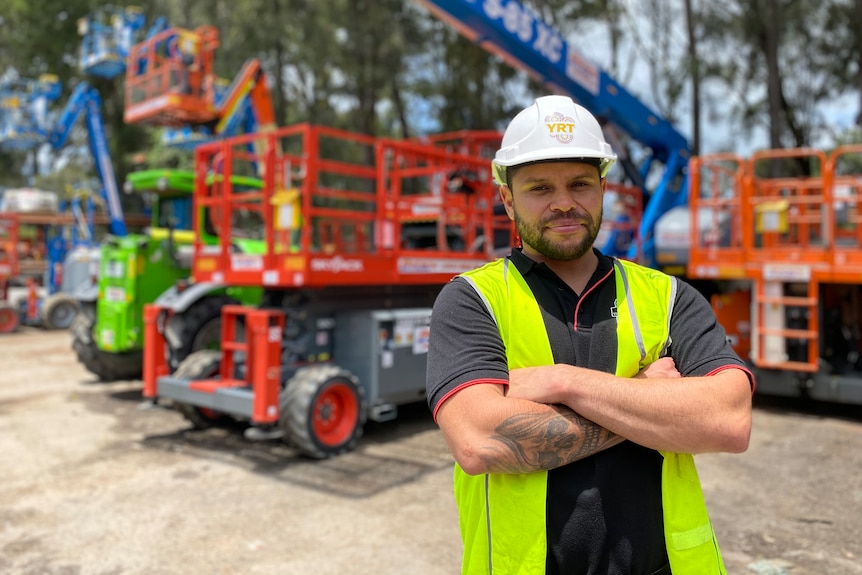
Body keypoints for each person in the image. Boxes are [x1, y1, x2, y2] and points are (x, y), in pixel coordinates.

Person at [425, 95, 754, 575]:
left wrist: (563, 383)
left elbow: (727, 421)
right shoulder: (473, 300)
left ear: (602, 189)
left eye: (580, 183)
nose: (564, 203)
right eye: (540, 188)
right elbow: (480, 441)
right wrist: (649, 402)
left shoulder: (666, 295)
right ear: (507, 198)